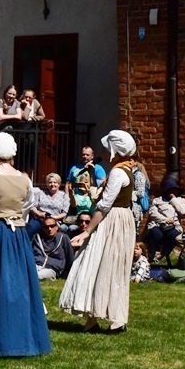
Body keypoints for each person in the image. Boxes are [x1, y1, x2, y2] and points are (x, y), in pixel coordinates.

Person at [0, 132, 51, 357]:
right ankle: (18, 339)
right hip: (17, 235)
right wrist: (15, 220)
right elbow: (26, 207)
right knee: (17, 285)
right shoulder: (25, 179)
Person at [58, 130, 138, 334]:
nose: (103, 149)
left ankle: (114, 319)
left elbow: (104, 206)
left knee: (101, 264)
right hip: (119, 218)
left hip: (113, 221)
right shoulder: (124, 169)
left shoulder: (119, 172)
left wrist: (87, 232)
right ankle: (97, 318)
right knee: (104, 266)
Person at [32, 216, 75, 280]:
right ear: (42, 228)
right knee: (27, 272)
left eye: (52, 226)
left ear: (57, 227)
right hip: (37, 265)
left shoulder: (63, 238)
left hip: (52, 268)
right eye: (46, 227)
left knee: (37, 276)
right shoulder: (37, 238)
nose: (49, 229)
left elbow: (70, 256)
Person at [27, 173, 70, 237]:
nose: (52, 184)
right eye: (50, 182)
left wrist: (55, 218)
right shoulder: (40, 193)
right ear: (47, 184)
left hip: (55, 221)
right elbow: (32, 206)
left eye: (55, 182)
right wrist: (39, 214)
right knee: (31, 228)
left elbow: (64, 213)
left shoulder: (64, 196)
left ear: (59, 184)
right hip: (40, 219)